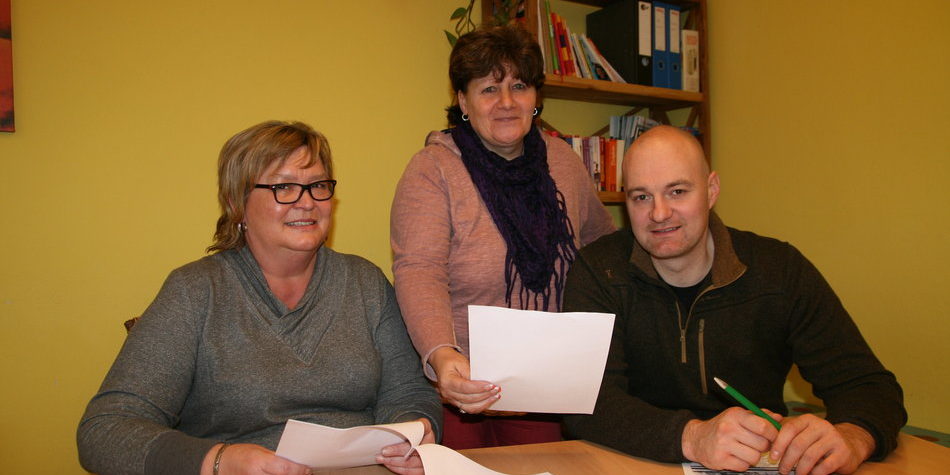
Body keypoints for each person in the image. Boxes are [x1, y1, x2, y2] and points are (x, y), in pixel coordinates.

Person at [77, 121, 441, 475]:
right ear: (238, 203)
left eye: (318, 185)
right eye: (284, 187)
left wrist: (411, 436)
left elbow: (409, 393)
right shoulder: (195, 292)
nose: (307, 202)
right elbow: (105, 431)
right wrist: (219, 461)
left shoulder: (365, 283)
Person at [562, 126, 906, 475]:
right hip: (629, 464)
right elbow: (586, 404)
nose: (660, 213)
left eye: (677, 191)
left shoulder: (779, 270)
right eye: (641, 197)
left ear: (711, 191)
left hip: (756, 464)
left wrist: (852, 436)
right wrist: (693, 437)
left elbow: (868, 385)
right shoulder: (598, 271)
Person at [390, 25, 615, 449]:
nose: (507, 102)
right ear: (463, 101)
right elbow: (419, 271)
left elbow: (604, 250)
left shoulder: (564, 162)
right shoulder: (432, 170)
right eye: (490, 89)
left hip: (546, 387)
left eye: (519, 86)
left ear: (536, 98)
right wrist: (443, 355)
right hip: (459, 389)